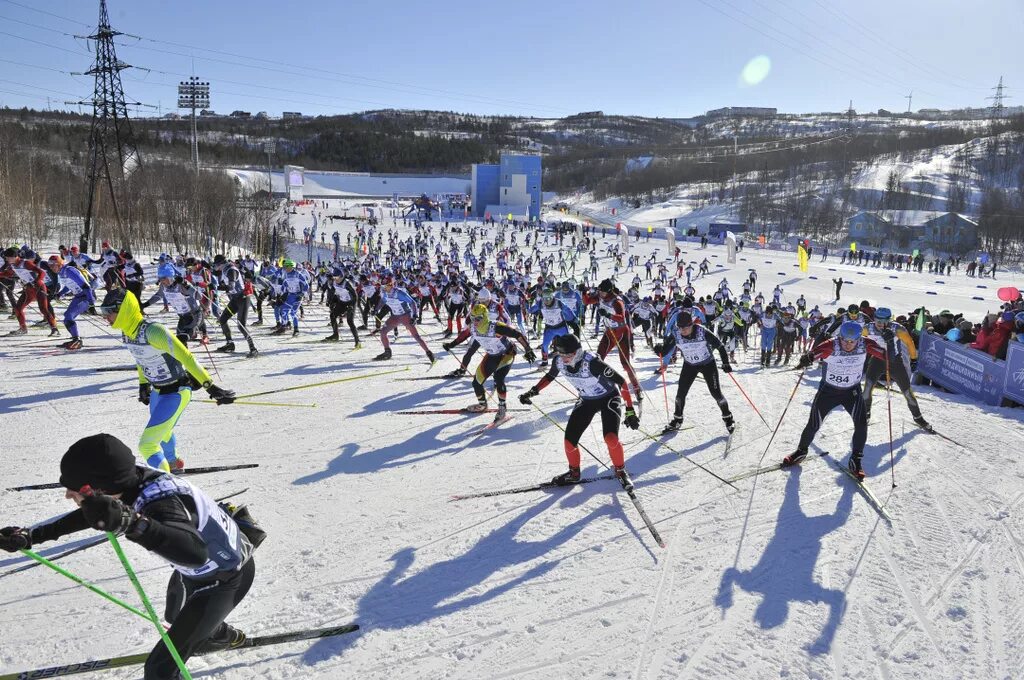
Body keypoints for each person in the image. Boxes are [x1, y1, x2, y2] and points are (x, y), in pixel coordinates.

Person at [0, 434, 264, 680]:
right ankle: (219, 635)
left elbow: (194, 553)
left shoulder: (162, 502)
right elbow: (93, 512)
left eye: (73, 489)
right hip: (198, 573)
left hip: (226, 579)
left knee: (160, 669)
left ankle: (210, 632)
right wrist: (33, 535)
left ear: (98, 489)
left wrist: (135, 524)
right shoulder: (128, 480)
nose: (68, 494)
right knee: (175, 618)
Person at [99, 288, 236, 472]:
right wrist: (143, 384)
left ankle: (164, 481)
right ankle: (172, 461)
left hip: (176, 392)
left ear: (123, 309)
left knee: (147, 445)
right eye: (103, 312)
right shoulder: (127, 332)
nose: (105, 317)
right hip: (158, 392)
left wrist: (209, 386)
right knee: (163, 431)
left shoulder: (154, 331)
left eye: (109, 312)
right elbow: (140, 358)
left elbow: (186, 356)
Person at [519, 333, 640, 490]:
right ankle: (574, 473)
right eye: (561, 354)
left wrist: (630, 410)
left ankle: (620, 470)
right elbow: (550, 376)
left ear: (577, 352)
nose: (564, 358)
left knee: (611, 438)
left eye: (568, 355)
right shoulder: (559, 361)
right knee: (569, 441)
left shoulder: (593, 363)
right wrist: (532, 391)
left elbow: (621, 382)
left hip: (608, 398)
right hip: (587, 400)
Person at [783, 320, 887, 480]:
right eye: (845, 340)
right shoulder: (830, 345)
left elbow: (886, 355)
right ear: (840, 337)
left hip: (852, 392)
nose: (848, 344)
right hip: (828, 392)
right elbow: (813, 354)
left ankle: (856, 460)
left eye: (852, 341)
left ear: (859, 339)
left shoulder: (865, 344)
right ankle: (801, 451)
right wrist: (807, 359)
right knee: (813, 424)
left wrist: (890, 347)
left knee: (861, 424)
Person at [442, 303, 536, 421]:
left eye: (478, 318)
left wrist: (528, 349)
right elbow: (462, 336)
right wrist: (450, 345)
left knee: (499, 379)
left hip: (506, 354)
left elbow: (517, 334)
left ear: (485, 317)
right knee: (476, 382)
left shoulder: (496, 326)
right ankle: (482, 405)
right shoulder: (473, 328)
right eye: (473, 318)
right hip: (492, 355)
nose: (475, 321)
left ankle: (502, 407)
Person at [655, 311, 735, 434]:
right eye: (680, 327)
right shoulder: (676, 334)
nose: (683, 330)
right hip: (690, 365)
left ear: (691, 324)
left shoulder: (702, 331)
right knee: (680, 394)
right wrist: (659, 350)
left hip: (708, 364)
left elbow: (720, 346)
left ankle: (728, 417)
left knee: (716, 394)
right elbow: (665, 351)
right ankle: (677, 419)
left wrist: (725, 363)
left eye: (685, 327)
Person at [862, 307, 930, 430]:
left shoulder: (897, 328)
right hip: (877, 361)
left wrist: (913, 359)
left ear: (889, 320)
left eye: (884, 321)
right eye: (878, 320)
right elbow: (857, 340)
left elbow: (909, 342)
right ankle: (865, 414)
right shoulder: (868, 328)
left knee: (907, 392)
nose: (880, 324)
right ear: (874, 319)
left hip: (895, 362)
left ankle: (918, 417)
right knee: (867, 389)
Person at [373, 276, 435, 364]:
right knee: (383, 332)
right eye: (382, 286)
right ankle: (387, 352)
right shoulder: (384, 292)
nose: (384, 288)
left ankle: (429, 353)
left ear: (391, 285)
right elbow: (383, 300)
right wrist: (376, 309)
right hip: (395, 316)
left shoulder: (399, 293)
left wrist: (414, 316)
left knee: (416, 336)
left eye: (386, 286)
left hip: (405, 316)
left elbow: (412, 302)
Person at [0, 246, 59, 336]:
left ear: (14, 256)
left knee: (43, 309)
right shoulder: (12, 265)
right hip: (28, 289)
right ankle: (23, 329)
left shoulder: (26, 263)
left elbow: (41, 272)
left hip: (39, 287)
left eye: (8, 257)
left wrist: (36, 281)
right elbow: (7, 273)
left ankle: (55, 329)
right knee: (18, 308)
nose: (6, 259)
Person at [50, 255, 94, 350]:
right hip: (78, 296)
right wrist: (59, 294)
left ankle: (77, 340)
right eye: (50, 265)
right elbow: (69, 285)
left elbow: (86, 286)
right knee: (67, 318)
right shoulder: (61, 272)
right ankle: (75, 339)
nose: (52, 267)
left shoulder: (70, 271)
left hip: (86, 296)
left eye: (53, 265)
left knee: (69, 315)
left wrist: (91, 304)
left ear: (60, 264)